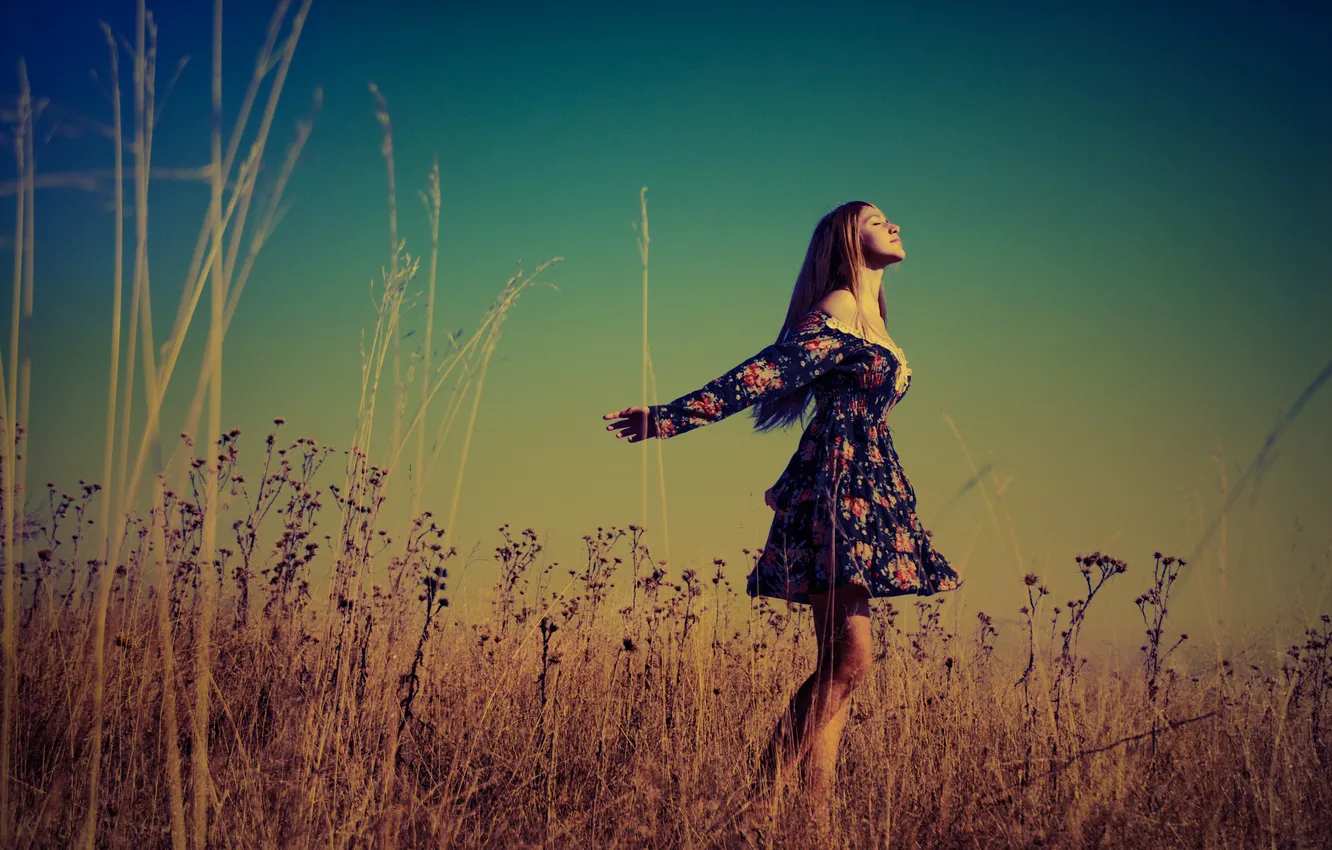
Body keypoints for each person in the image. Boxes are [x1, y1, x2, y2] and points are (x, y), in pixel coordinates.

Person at [601, 200, 961, 815]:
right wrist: (666, 418)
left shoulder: (874, 317)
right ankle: (757, 801)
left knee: (838, 667)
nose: (894, 225)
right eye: (876, 221)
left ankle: (812, 823)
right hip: (839, 490)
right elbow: (760, 375)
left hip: (865, 487)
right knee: (851, 659)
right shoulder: (838, 311)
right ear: (847, 240)